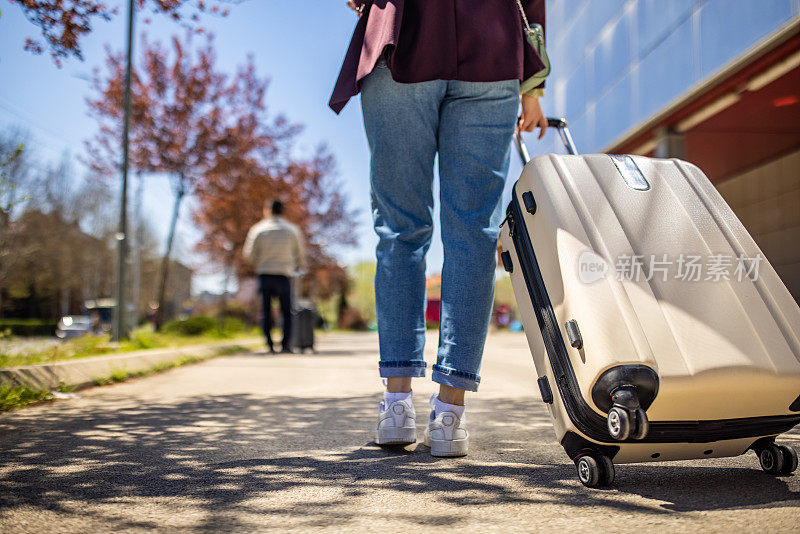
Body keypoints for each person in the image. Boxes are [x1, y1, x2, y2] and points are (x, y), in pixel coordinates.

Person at [330, 0, 548, 456]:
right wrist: (533, 87)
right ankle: (449, 417)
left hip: (403, 43)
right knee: (473, 235)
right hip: (493, 50)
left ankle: (396, 409)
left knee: (400, 231)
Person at [243, 200, 306, 354]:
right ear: (282, 211)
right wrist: (297, 266)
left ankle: (270, 345)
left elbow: (248, 255)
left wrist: (260, 261)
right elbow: (300, 254)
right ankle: (285, 346)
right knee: (286, 312)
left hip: (265, 274)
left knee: (266, 310)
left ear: (267, 210)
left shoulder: (258, 229)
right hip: (284, 274)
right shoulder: (292, 230)